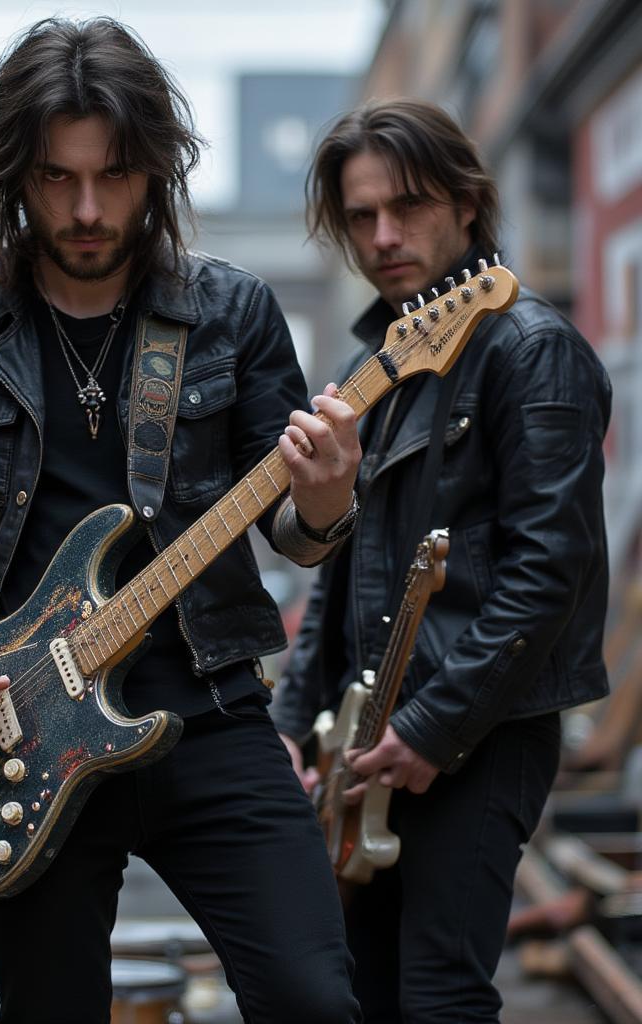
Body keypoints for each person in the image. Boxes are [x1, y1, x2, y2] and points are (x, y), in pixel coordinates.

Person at [0, 18, 362, 1024]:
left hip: (207, 704)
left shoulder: (233, 312)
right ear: (11, 177)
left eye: (115, 176)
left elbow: (298, 536)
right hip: (16, 726)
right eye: (54, 178)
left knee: (312, 1000)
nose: (86, 209)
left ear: (156, 172)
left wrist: (326, 490)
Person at [273, 98, 611, 1021]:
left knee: (440, 999)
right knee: (365, 991)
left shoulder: (532, 350)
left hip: (480, 735)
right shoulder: (378, 368)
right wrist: (296, 727)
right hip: (365, 740)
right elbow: (339, 575)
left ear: (468, 204)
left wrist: (431, 728)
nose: (383, 236)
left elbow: (552, 567)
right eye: (360, 217)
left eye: (409, 206)